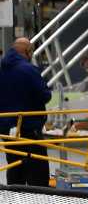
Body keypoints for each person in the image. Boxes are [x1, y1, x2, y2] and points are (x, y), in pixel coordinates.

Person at [0, 36, 52, 188]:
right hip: (29, 129)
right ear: (27, 51)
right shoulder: (29, 70)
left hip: (7, 131)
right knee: (38, 173)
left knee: (15, 168)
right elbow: (45, 95)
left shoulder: (2, 69)